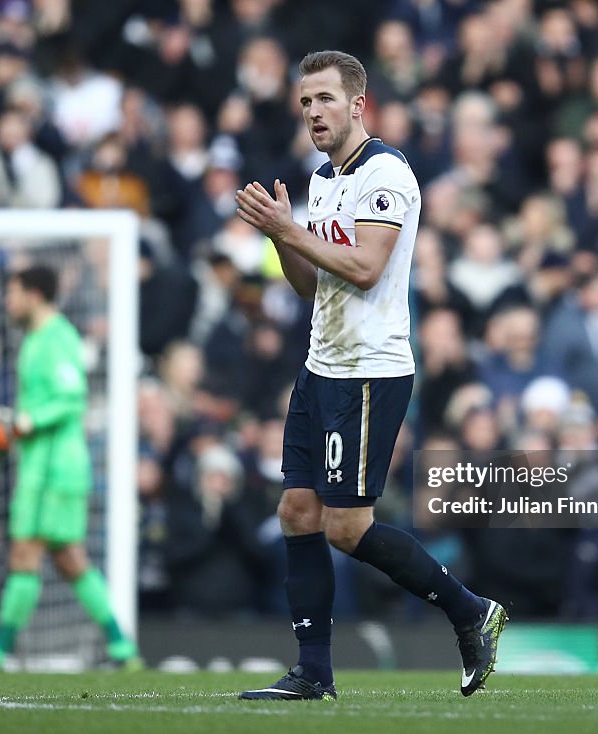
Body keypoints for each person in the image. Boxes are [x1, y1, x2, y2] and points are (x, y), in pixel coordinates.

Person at [234, 50, 506, 701]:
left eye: (324, 99)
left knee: (346, 527)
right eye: (305, 102)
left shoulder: (386, 174)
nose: (313, 113)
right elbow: (312, 286)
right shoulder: (323, 179)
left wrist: (289, 231)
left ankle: (471, 612)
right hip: (320, 364)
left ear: (358, 104)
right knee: (297, 509)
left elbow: (364, 268)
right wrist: (281, 236)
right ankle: (313, 672)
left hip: (368, 373)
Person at [0, 266, 140, 669]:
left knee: (26, 551)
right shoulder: (34, 339)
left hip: (56, 467)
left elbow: (70, 398)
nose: (6, 302)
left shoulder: (59, 336)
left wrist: (24, 422)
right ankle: (122, 649)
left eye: (12, 293)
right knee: (68, 559)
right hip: (38, 462)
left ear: (34, 294)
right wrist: (14, 423)